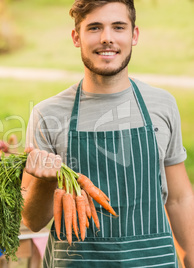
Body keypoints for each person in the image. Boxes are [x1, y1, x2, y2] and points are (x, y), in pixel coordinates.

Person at [21, 0, 194, 267]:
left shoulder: (162, 104)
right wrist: (45, 181)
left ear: (133, 35)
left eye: (118, 27)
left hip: (153, 261)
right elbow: (31, 221)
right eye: (94, 28)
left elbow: (180, 198)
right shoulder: (48, 114)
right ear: (76, 37)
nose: (107, 38)